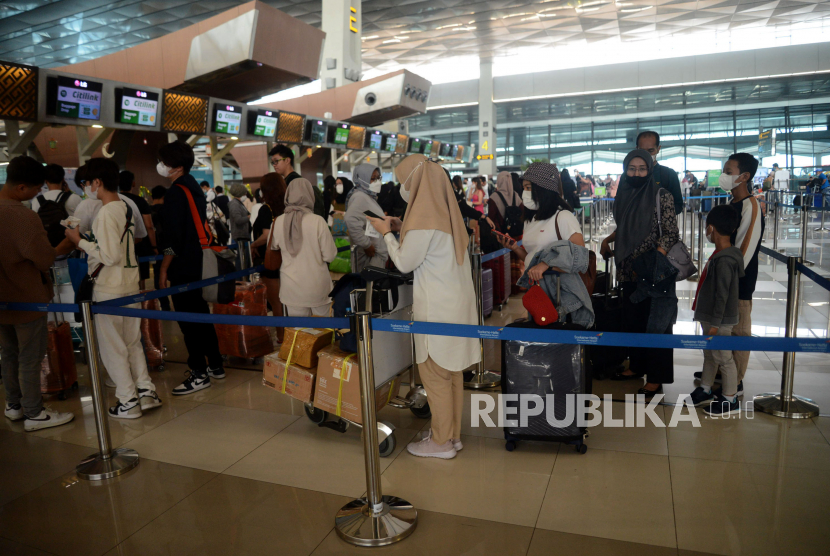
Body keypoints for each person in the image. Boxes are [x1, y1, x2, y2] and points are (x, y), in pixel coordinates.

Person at [367, 154, 479, 460]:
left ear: (414, 181)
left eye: (404, 180)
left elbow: (404, 261)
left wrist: (386, 232)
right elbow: (428, 247)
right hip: (457, 307)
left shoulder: (422, 220)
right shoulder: (445, 213)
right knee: (452, 373)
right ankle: (451, 436)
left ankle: (441, 443)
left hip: (437, 310)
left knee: (435, 375)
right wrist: (403, 227)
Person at [65, 158, 161, 418]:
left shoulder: (106, 211)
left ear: (98, 182)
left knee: (113, 347)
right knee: (131, 343)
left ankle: (127, 401)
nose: (88, 188)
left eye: (88, 183)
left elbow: (108, 256)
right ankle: (145, 391)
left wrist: (78, 241)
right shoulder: (124, 207)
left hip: (108, 288)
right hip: (129, 284)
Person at [0, 156, 75, 432]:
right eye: (36, 188)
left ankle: (14, 405)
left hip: (2, 300)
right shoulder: (23, 216)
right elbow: (44, 259)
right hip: (26, 298)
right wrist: (64, 245)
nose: (38, 194)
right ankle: (34, 413)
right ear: (21, 188)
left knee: (8, 353)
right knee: (30, 356)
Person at [600, 149, 679, 398]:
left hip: (653, 272)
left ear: (650, 170)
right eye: (631, 169)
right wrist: (609, 239)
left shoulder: (661, 195)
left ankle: (656, 378)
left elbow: (670, 233)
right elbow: (626, 227)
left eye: (641, 169)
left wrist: (656, 258)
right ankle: (636, 366)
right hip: (627, 270)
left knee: (657, 325)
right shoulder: (623, 194)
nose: (636, 173)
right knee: (633, 320)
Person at [157, 140, 225, 395]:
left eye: (164, 161)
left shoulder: (176, 192)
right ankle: (215, 365)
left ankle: (198, 372)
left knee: (188, 321)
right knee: (202, 317)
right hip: (200, 264)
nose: (161, 166)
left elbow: (173, 240)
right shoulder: (194, 187)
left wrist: (164, 268)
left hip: (183, 267)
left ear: (174, 165)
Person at [693, 154, 763, 395]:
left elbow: (743, 250)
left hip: (738, 284)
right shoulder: (731, 203)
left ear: (744, 176)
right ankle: (720, 372)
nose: (724, 175)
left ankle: (737, 381)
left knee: (738, 330)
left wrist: (728, 279)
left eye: (728, 171)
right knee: (722, 333)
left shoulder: (750, 206)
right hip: (723, 278)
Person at [689, 204, 744, 416]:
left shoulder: (725, 260)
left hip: (717, 320)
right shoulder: (721, 254)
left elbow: (722, 295)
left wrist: (715, 323)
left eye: (706, 227)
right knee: (710, 355)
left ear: (711, 228)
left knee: (723, 357)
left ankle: (730, 398)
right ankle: (705, 388)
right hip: (711, 317)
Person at [269, 178, 336, 317]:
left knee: (299, 334)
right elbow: (330, 255)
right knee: (322, 331)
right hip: (317, 287)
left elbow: (274, 247)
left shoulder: (278, 222)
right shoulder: (318, 221)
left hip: (291, 288)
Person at [250, 173, 287, 341]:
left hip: (272, 260)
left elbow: (266, 235)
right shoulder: (288, 207)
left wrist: (253, 245)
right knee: (287, 300)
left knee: (276, 301)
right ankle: (291, 334)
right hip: (288, 258)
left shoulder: (267, 209)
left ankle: (281, 336)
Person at [345, 163, 389, 273]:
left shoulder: (368, 196)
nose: (377, 182)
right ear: (362, 179)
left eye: (378, 178)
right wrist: (366, 244)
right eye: (373, 179)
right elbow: (350, 219)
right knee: (368, 288)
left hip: (375, 254)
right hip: (371, 256)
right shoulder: (360, 197)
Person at [119, 171, 157, 291]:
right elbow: (149, 226)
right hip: (140, 245)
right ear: (133, 183)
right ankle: (141, 303)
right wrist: (154, 246)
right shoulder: (140, 201)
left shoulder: (115, 200)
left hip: (121, 245)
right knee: (140, 278)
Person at [269, 144, 326, 218]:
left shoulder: (294, 182)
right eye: (273, 162)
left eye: (276, 161)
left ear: (287, 160)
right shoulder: (295, 180)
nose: (274, 165)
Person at [636, 131, 683, 214]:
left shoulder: (668, 175)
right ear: (637, 149)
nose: (647, 155)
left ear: (658, 149)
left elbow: (678, 206)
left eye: (651, 151)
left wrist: (657, 213)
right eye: (642, 151)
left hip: (660, 226)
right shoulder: (629, 175)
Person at [149, 186, 170, 311]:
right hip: (169, 249)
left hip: (156, 249)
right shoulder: (167, 210)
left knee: (158, 275)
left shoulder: (148, 211)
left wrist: (154, 247)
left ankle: (164, 304)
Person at [487, 171, 523, 236]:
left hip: (500, 234)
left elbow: (491, 218)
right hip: (516, 232)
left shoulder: (494, 196)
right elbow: (523, 211)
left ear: (499, 181)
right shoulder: (515, 195)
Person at [228, 183, 252, 269]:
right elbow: (238, 220)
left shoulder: (238, 202)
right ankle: (240, 279)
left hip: (243, 234)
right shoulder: (234, 204)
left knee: (244, 259)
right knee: (241, 259)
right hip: (240, 234)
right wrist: (249, 217)